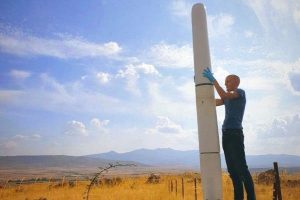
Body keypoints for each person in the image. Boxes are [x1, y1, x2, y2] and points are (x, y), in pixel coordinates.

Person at [202, 67, 256, 200]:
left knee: (242, 168)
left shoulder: (240, 93)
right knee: (232, 171)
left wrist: (213, 80)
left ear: (236, 82)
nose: (225, 83)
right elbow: (211, 102)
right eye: (224, 82)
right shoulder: (227, 98)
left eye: (228, 81)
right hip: (226, 134)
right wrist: (200, 86)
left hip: (235, 134)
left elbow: (224, 96)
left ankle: (251, 198)